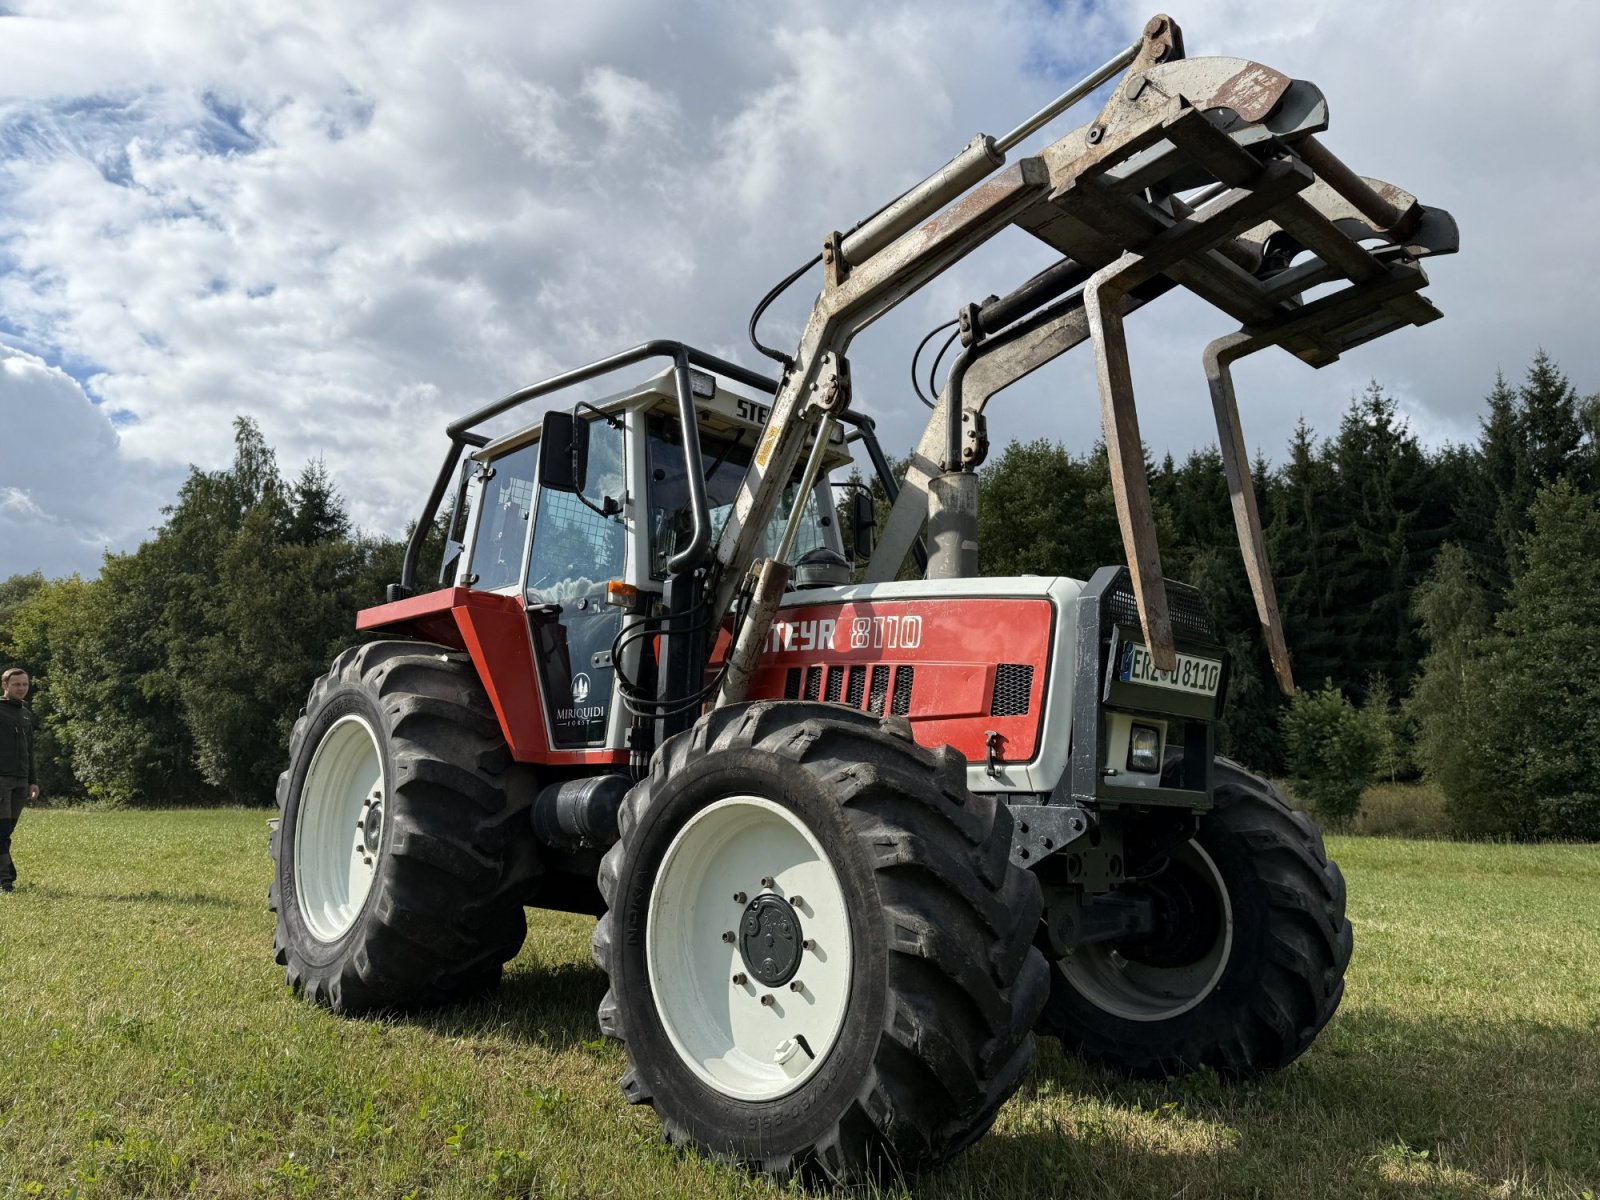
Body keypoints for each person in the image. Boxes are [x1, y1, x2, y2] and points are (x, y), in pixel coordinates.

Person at [0, 666, 38, 894]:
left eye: (25, 684)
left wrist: (33, 781)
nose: (22, 688)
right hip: (1, 781)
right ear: (5, 685)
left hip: (21, 782)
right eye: (16, 684)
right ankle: (6, 880)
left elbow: (30, 750)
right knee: (1, 831)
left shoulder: (25, 713)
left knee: (6, 832)